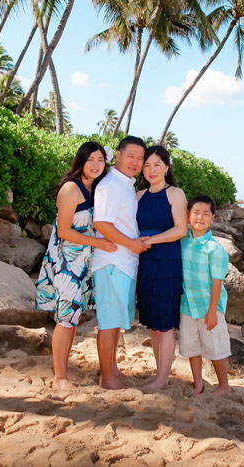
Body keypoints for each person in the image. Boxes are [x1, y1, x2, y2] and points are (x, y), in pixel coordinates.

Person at [35, 141, 118, 391]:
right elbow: (64, 231)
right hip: (65, 261)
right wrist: (98, 243)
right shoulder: (71, 189)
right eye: (90, 159)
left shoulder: (97, 189)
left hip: (84, 262)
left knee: (73, 316)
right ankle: (59, 377)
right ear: (81, 161)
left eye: (101, 160)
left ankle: (65, 371)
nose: (96, 165)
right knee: (65, 318)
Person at [92, 135, 150, 390]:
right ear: (118, 155)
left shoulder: (126, 184)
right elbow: (101, 224)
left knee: (115, 322)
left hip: (125, 262)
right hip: (112, 261)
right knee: (108, 322)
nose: (135, 162)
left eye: (140, 158)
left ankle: (112, 368)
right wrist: (132, 243)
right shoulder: (111, 184)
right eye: (131, 156)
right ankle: (106, 378)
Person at [135, 146, 187, 391]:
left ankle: (163, 379)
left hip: (166, 262)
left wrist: (151, 240)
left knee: (164, 323)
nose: (151, 170)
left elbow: (181, 229)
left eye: (156, 164)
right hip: (144, 262)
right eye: (147, 165)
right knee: (154, 322)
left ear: (166, 167)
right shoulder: (138, 196)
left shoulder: (175, 194)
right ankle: (159, 374)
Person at [179, 194, 231, 397]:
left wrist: (212, 311)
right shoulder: (183, 241)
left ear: (213, 218)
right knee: (192, 347)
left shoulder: (215, 249)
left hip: (209, 306)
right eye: (195, 213)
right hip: (187, 305)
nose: (199, 218)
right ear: (188, 215)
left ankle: (224, 385)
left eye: (205, 214)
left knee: (215, 347)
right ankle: (198, 384)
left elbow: (217, 282)